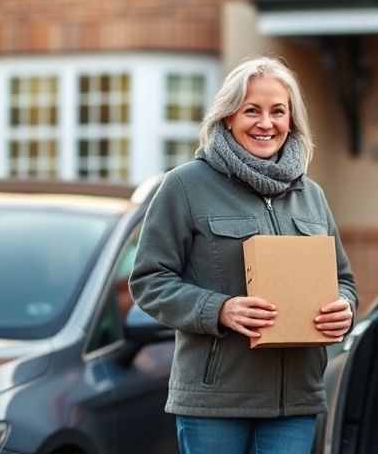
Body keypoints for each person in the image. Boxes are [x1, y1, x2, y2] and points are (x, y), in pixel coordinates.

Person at [130, 57, 357, 453]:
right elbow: (149, 281)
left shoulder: (311, 195)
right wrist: (219, 309)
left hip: (295, 401)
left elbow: (344, 280)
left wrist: (344, 307)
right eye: (252, 110)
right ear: (228, 116)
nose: (265, 123)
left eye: (278, 111)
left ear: (292, 120)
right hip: (215, 403)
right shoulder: (185, 185)